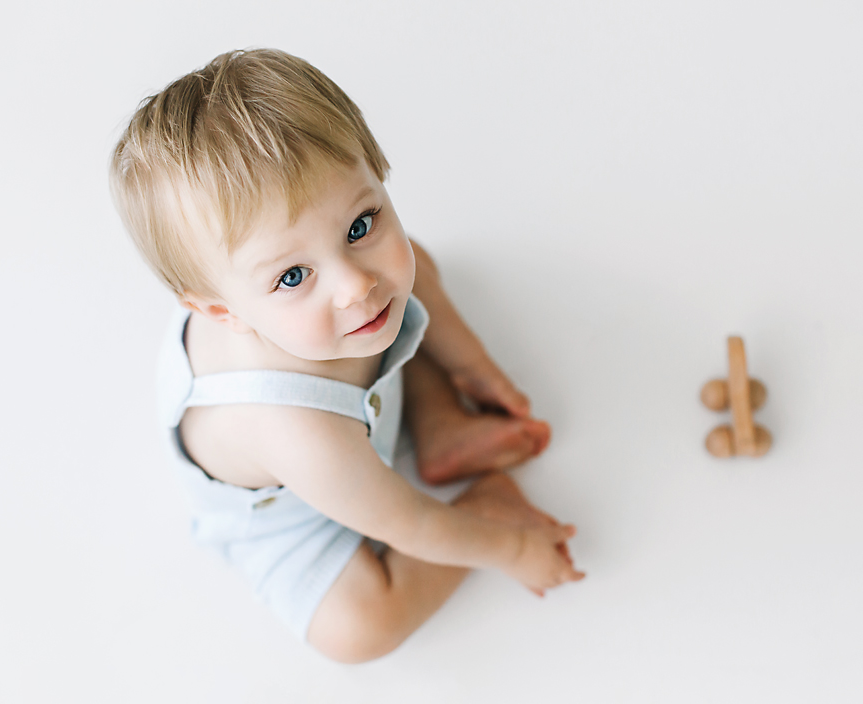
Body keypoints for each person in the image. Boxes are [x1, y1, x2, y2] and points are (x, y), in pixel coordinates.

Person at [110, 48, 584, 663]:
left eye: (360, 224)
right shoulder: (294, 432)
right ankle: (485, 499)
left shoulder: (338, 302)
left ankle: (439, 425)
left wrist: (475, 368)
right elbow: (407, 522)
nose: (354, 284)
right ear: (225, 313)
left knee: (416, 268)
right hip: (299, 507)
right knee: (358, 630)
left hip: (356, 408)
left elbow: (400, 275)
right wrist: (511, 548)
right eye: (293, 276)